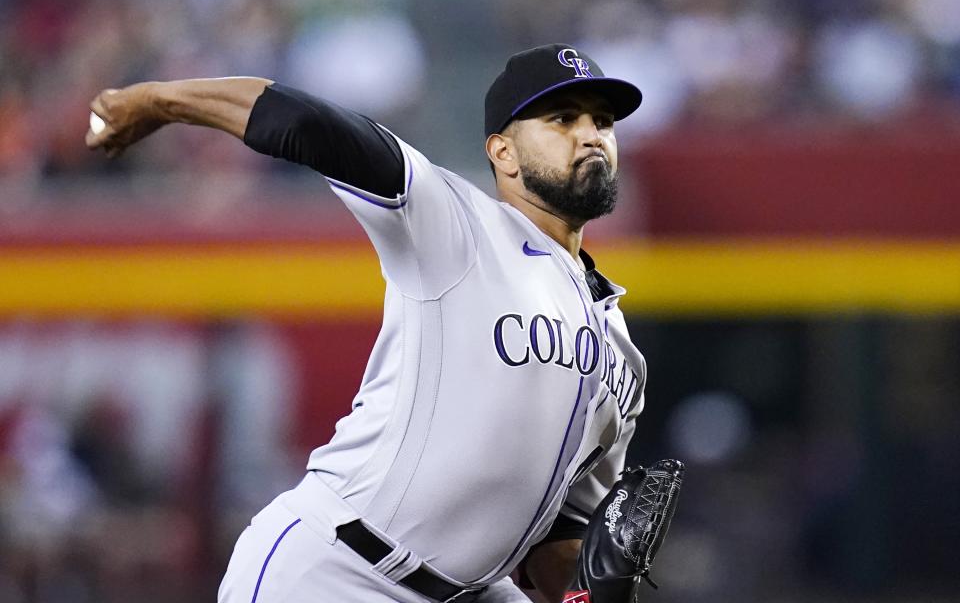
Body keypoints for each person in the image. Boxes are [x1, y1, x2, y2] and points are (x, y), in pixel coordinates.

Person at [86, 43, 646, 603]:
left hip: (470, 592)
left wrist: (590, 592)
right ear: (504, 153)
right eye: (562, 119)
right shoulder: (455, 222)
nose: (590, 134)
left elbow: (561, 532)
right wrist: (159, 101)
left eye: (602, 121)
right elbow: (307, 124)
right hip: (339, 571)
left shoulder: (623, 355)